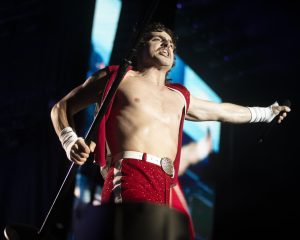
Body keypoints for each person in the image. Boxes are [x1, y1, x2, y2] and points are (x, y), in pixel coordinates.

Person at [50, 22, 291, 239]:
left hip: (166, 185)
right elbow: (62, 107)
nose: (166, 44)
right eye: (158, 38)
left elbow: (222, 112)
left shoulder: (180, 96)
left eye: (171, 43)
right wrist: (69, 140)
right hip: (130, 175)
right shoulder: (119, 77)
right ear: (140, 47)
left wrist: (266, 113)